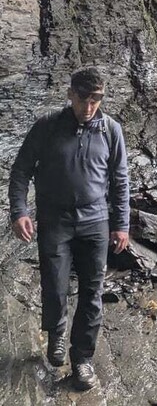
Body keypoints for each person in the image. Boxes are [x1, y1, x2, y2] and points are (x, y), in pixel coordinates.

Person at [8, 67, 129, 391]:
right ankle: (56, 333)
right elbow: (20, 172)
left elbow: (120, 180)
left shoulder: (110, 130)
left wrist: (121, 225)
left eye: (96, 100)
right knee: (54, 286)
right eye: (83, 99)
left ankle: (83, 359)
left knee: (92, 293)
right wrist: (19, 212)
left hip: (95, 222)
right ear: (70, 94)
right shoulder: (47, 127)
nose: (89, 107)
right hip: (54, 221)